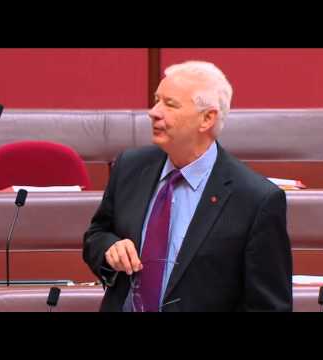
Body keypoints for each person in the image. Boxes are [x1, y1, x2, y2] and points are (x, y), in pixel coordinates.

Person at [83, 60, 292, 311]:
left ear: (206, 119)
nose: (154, 111)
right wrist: (109, 249)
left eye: (169, 104)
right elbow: (96, 234)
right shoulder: (130, 167)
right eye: (157, 99)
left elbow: (269, 306)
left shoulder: (256, 199)